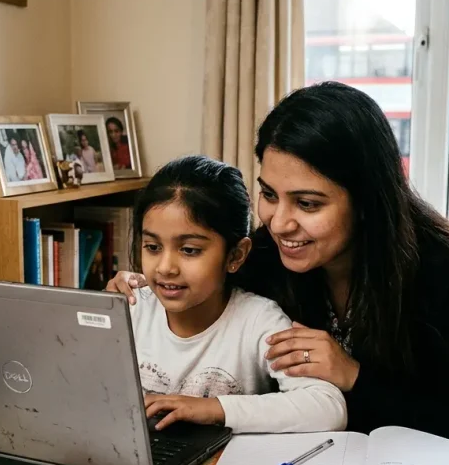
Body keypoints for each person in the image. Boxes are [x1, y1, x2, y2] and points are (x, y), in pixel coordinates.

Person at [107, 82, 449, 465]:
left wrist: (353, 375)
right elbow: (200, 284)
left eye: (309, 204)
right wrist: (137, 289)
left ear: (365, 199)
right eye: (269, 194)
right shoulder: (266, 255)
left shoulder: (447, 273)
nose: (279, 222)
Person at [112, 155, 346, 433]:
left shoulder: (259, 322)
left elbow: (328, 408)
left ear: (235, 255)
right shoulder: (132, 308)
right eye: (152, 247)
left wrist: (214, 409)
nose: (165, 268)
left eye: (189, 250)